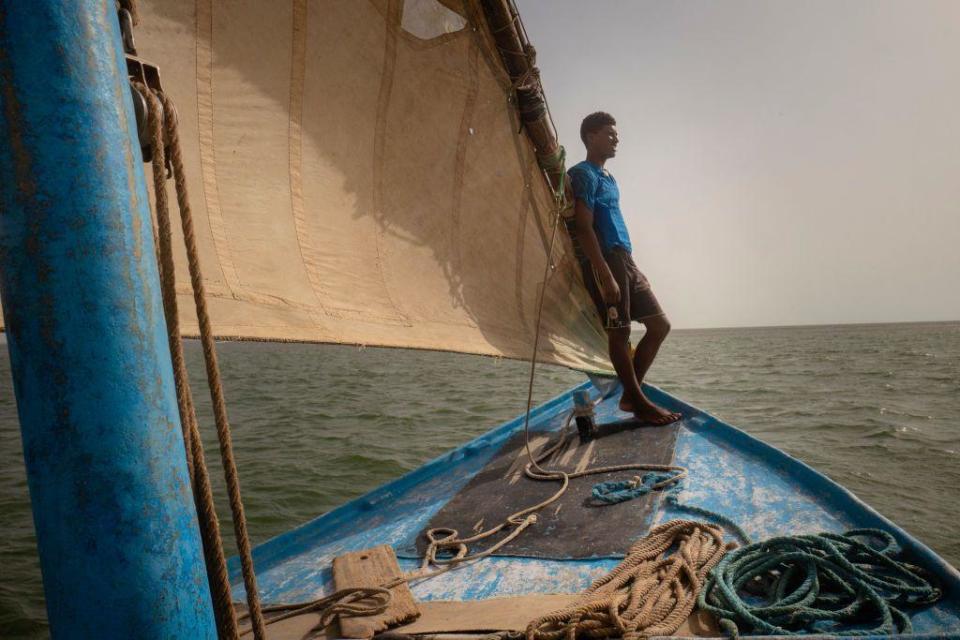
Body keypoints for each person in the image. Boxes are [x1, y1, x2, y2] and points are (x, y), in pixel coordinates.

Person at [568, 111, 680, 425]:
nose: (616, 138)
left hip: (627, 259)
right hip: (607, 260)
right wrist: (603, 273)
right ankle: (639, 402)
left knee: (660, 326)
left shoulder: (609, 178)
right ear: (591, 137)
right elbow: (583, 227)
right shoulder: (583, 174)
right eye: (609, 133)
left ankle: (631, 395)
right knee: (620, 332)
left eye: (616, 134)